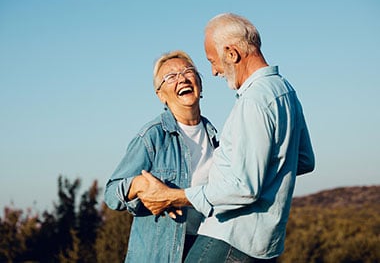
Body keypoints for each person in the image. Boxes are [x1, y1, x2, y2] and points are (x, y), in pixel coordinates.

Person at [136, 13, 315, 262]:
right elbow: (304, 160)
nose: (214, 71)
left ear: (232, 53)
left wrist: (173, 196)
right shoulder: (285, 91)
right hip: (266, 244)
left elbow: (244, 187)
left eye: (213, 61)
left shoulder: (253, 101)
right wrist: (266, 173)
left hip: (230, 238)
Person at [104, 50, 219, 262]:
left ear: (200, 83)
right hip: (159, 255)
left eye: (188, 71)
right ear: (161, 95)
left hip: (203, 248)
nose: (182, 78)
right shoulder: (152, 136)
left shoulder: (216, 139)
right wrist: (139, 184)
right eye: (170, 77)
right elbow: (111, 193)